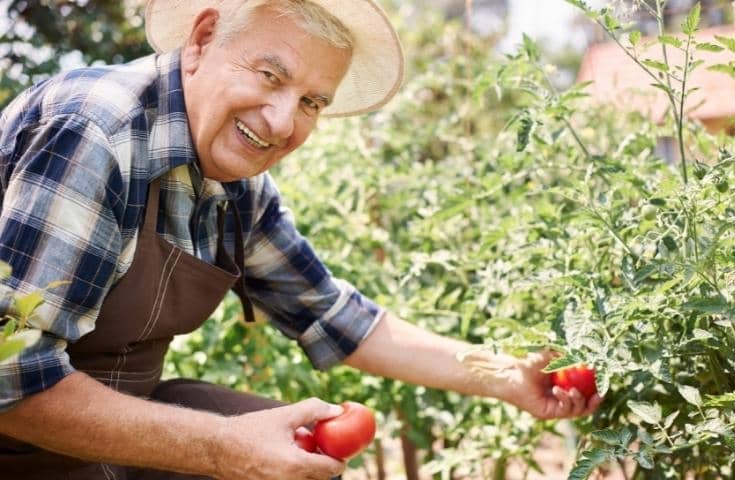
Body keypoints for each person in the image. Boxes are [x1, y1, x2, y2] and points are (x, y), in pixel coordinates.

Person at [0, 0, 603, 478]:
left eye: (312, 101)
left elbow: (335, 316)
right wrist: (225, 447)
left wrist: (504, 375)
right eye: (270, 74)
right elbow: (11, 382)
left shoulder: (233, 181)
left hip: (115, 438)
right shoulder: (96, 133)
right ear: (203, 40)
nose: (283, 123)